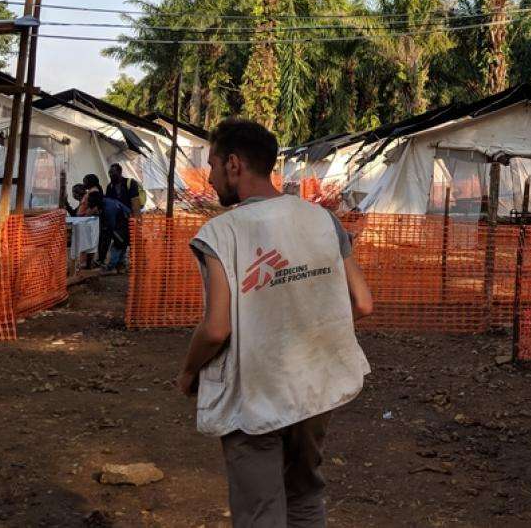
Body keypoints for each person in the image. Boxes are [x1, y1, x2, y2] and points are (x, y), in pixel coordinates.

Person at [178, 118, 373, 528]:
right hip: (316, 385)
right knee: (305, 495)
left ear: (234, 165)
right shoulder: (322, 219)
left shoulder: (221, 232)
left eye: (212, 166)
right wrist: (309, 330)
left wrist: (189, 371)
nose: (210, 179)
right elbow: (362, 302)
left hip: (256, 391)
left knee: (260, 512)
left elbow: (216, 329)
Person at [79, 188, 131, 271]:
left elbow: (111, 227)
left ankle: (111, 266)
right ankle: (120, 264)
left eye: (90, 201)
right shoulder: (103, 203)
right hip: (122, 223)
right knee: (120, 243)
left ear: (96, 201)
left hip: (125, 223)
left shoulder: (109, 208)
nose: (88, 203)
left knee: (118, 243)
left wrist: (105, 235)